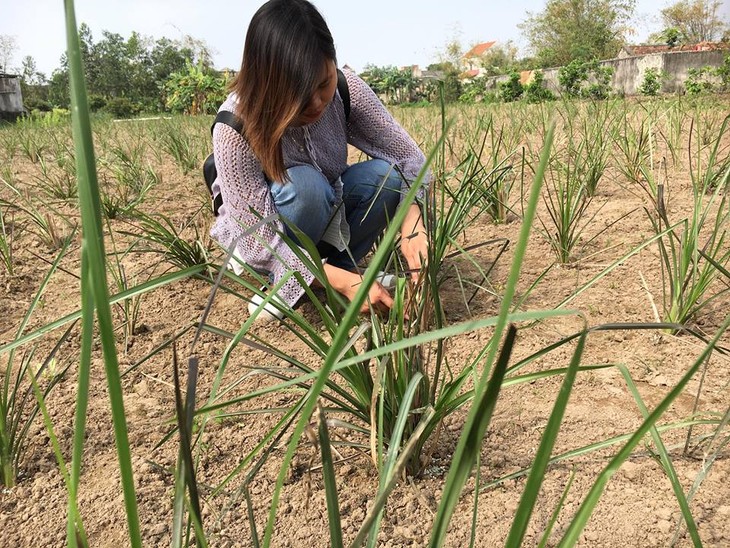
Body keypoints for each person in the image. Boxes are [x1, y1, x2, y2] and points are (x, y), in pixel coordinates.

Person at [210, 0, 430, 321]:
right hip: (268, 228)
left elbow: (410, 158)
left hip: (329, 204)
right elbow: (258, 241)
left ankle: (340, 273)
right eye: (297, 93)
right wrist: (339, 282)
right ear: (268, 84)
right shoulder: (235, 125)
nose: (316, 103)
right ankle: (283, 284)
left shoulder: (345, 88)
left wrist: (412, 226)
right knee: (306, 188)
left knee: (388, 177)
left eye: (323, 83)